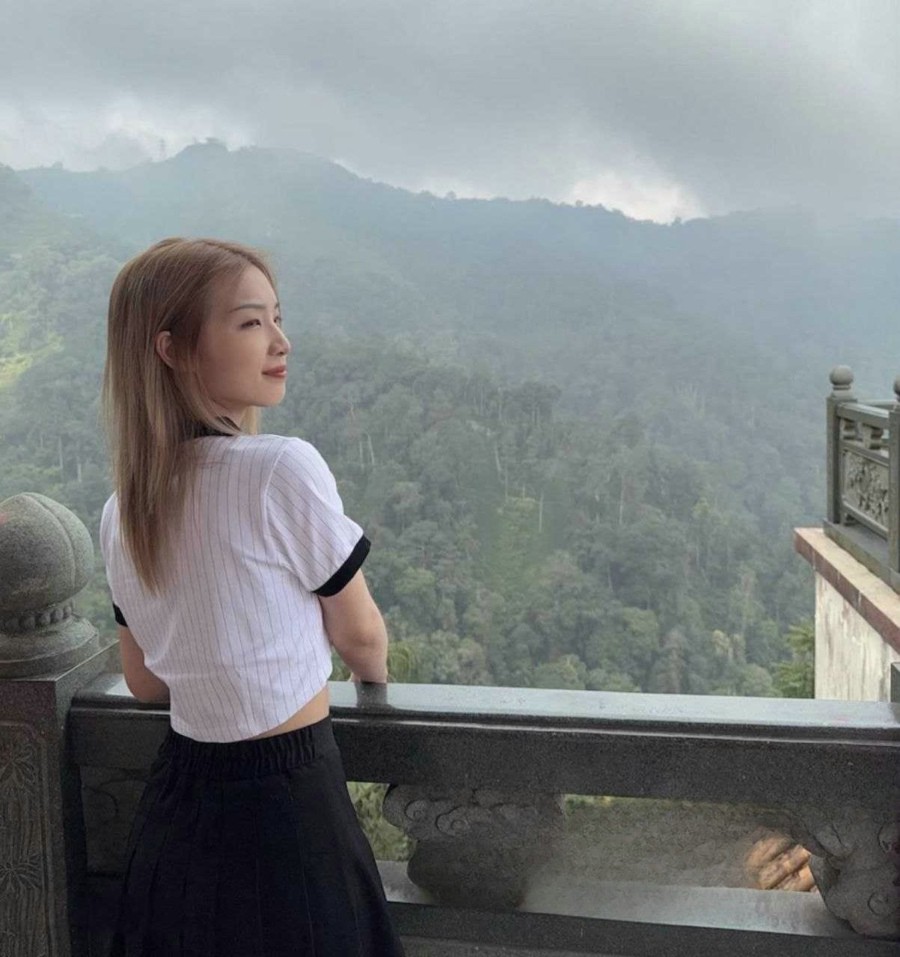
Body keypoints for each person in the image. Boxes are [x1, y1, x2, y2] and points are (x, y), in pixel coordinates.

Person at [99, 237, 405, 956]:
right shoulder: (278, 469)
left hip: (175, 814)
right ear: (173, 348)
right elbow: (361, 636)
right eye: (250, 322)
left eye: (276, 318)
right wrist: (376, 688)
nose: (280, 341)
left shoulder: (122, 510)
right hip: (288, 805)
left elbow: (144, 681)